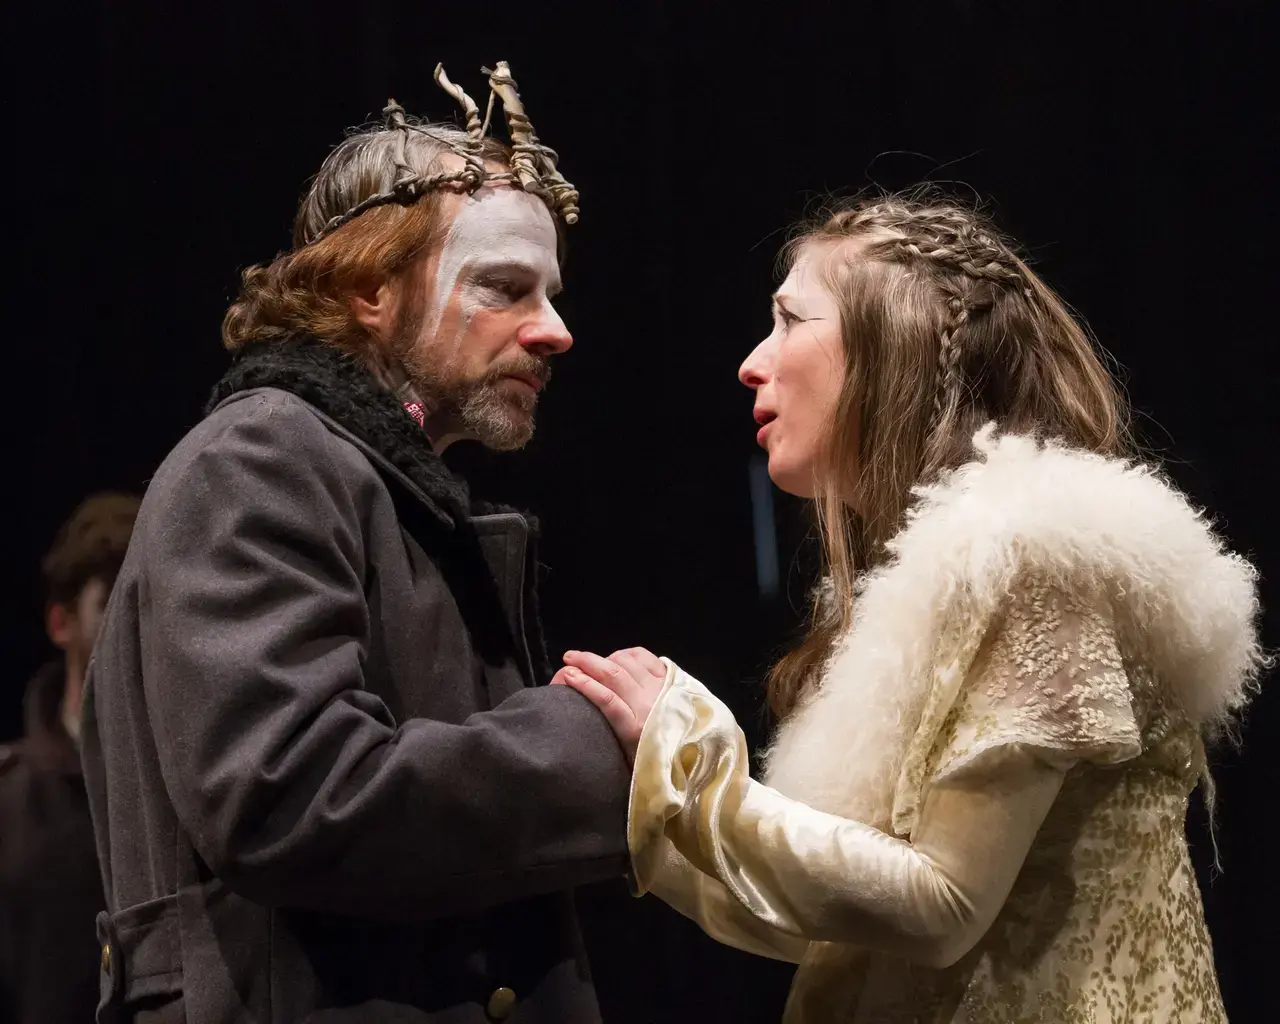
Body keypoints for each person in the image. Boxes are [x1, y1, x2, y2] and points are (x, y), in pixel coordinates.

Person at [555, 194, 1264, 1022]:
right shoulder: (930, 583)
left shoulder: (1036, 557)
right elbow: (835, 921)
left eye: (789, 321)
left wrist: (689, 766)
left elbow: (941, 907)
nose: (753, 362)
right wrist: (651, 793)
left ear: (890, 346)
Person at [80, 63, 630, 1024]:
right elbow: (292, 794)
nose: (556, 332)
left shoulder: (376, 485)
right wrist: (594, 746)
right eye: (506, 289)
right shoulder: (259, 459)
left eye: (551, 294)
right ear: (374, 288)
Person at [1, 492, 139, 1023]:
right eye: (112, 602)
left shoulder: (190, 783)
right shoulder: (11, 801)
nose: (134, 624)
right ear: (61, 623)